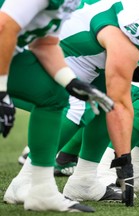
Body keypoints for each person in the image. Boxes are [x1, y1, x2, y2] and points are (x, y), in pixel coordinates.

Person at [0, 0, 115, 212]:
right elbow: (4, 25)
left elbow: (45, 43)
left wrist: (70, 82)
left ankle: (42, 191)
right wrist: (1, 90)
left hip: (11, 49)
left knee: (55, 95)